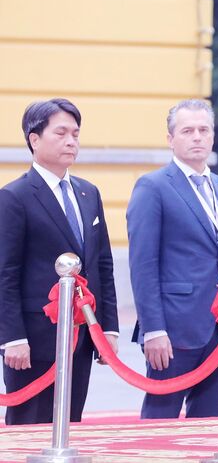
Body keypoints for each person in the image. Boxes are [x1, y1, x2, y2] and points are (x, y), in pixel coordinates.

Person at [126, 99, 218, 419]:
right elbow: (143, 265)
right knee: (160, 422)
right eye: (187, 130)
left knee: (211, 424)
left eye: (203, 130)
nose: (197, 137)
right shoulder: (152, 187)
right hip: (174, 328)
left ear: (212, 136)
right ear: (171, 139)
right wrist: (153, 329)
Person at [0, 98, 119, 424]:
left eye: (75, 134)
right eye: (61, 133)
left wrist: (107, 328)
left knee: (70, 424)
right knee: (30, 428)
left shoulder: (88, 193)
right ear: (34, 139)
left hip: (81, 335)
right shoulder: (14, 197)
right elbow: (5, 273)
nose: (71, 141)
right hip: (34, 341)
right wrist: (12, 338)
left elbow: (103, 264)